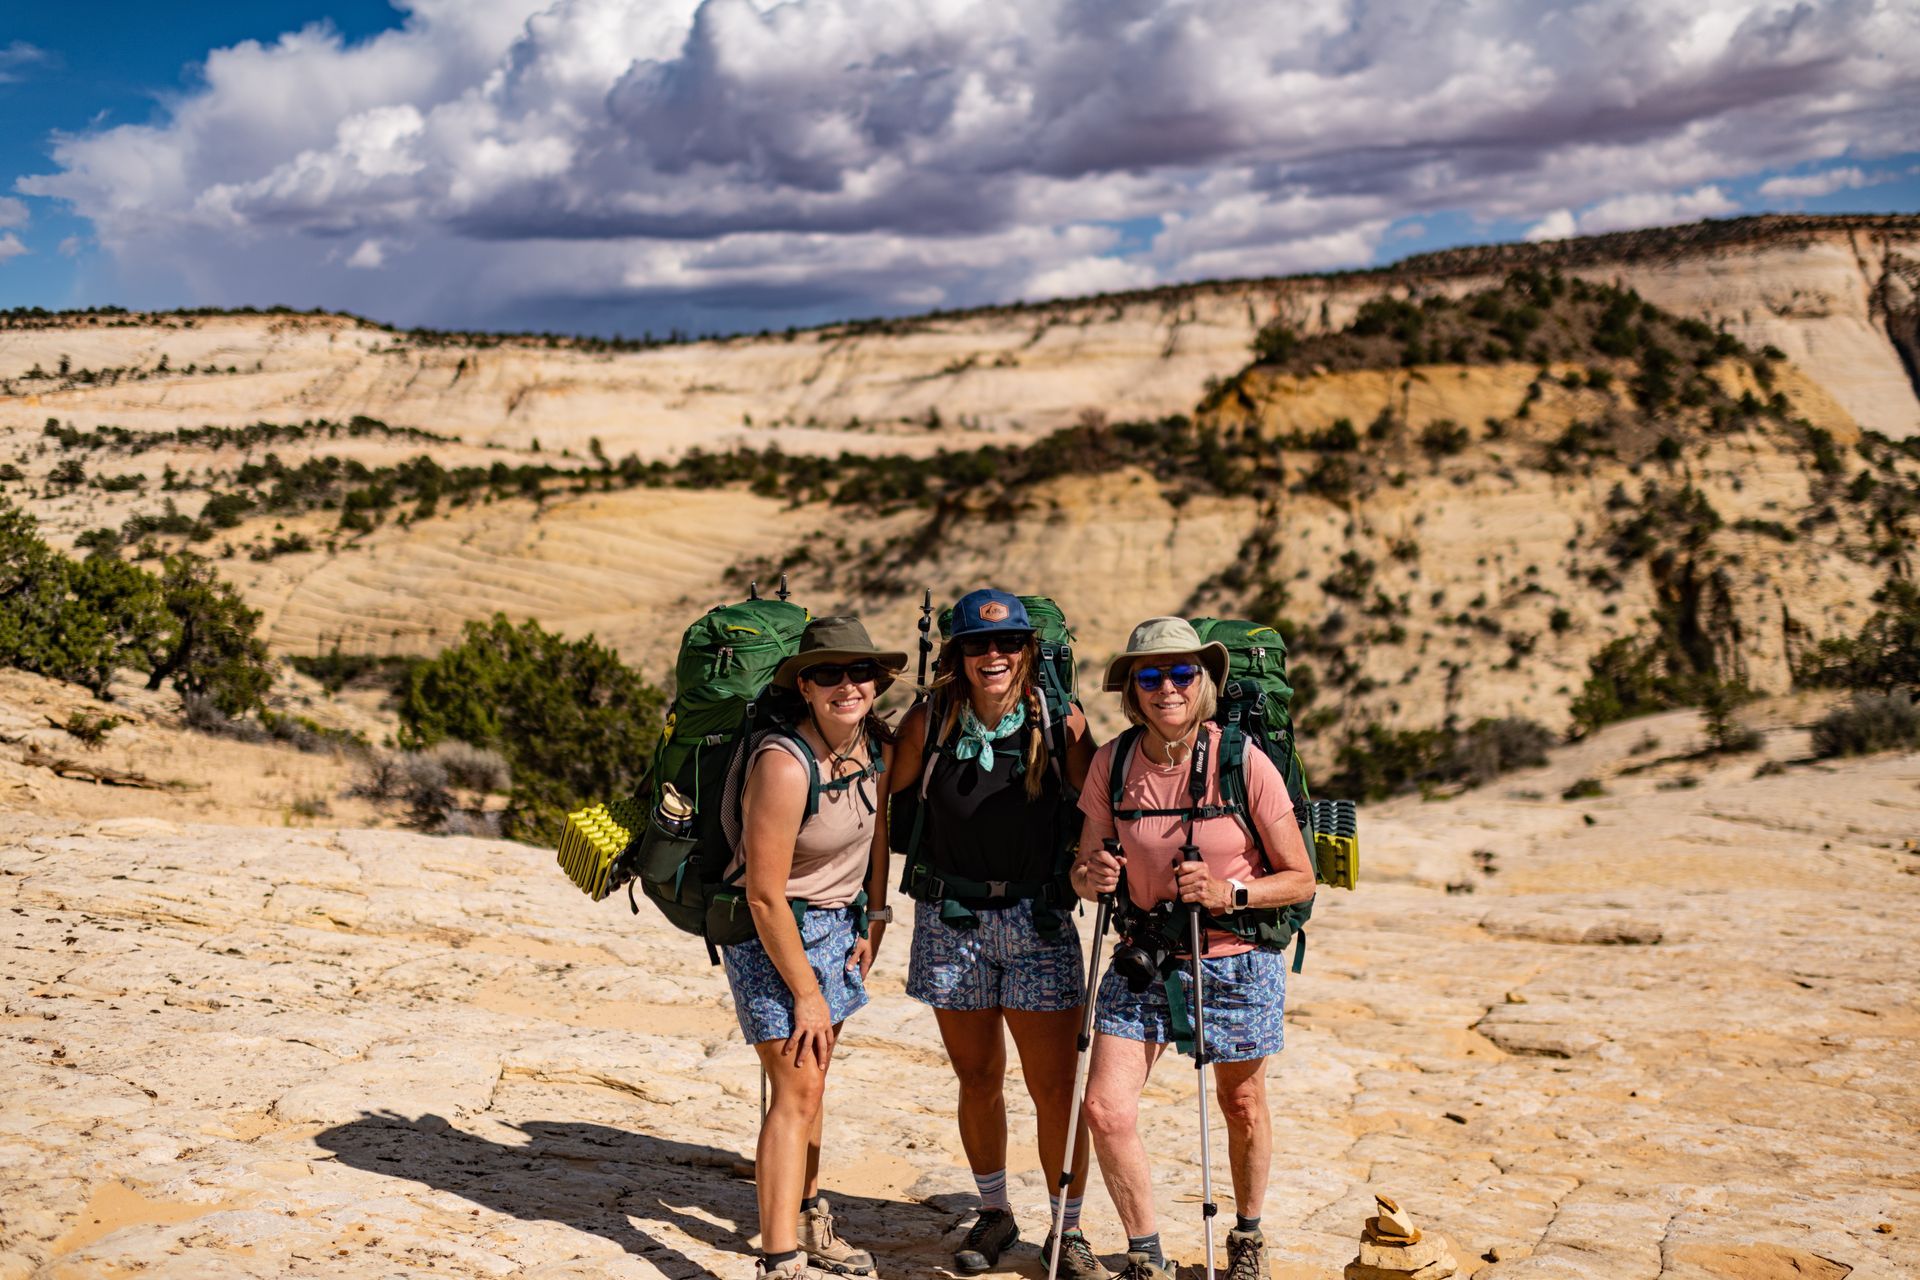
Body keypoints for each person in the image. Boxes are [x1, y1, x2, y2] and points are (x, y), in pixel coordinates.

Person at [1069, 617, 1316, 1280]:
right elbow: (1083, 864)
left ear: (1204, 683)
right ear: (1133, 690)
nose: (1167, 689)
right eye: (1150, 676)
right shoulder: (1113, 762)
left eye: (1182, 674)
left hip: (1233, 956)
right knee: (1103, 1109)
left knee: (1241, 1104)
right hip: (1145, 954)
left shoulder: (1242, 762)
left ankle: (1247, 1237)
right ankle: (1146, 1254)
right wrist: (1091, 876)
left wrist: (1229, 893)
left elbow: (1300, 877)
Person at [891, 589, 1102, 1278]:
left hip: (1037, 920)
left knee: (1055, 1088)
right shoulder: (932, 719)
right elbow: (873, 799)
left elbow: (1101, 809)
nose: (993, 656)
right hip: (951, 921)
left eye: (1007, 643)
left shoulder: (1059, 721)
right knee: (976, 1077)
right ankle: (994, 1213)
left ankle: (1065, 1232)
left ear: (1027, 650)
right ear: (956, 655)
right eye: (978, 645)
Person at [724, 616, 905, 1280]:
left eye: (859, 672)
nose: (846, 685)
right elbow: (765, 895)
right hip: (774, 938)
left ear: (877, 681)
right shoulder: (783, 763)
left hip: (836, 931)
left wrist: (874, 922)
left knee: (812, 1086)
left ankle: (807, 1218)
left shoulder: (870, 749)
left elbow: (875, 844)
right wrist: (805, 994)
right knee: (795, 1091)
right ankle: (779, 1260)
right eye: (828, 674)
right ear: (804, 685)